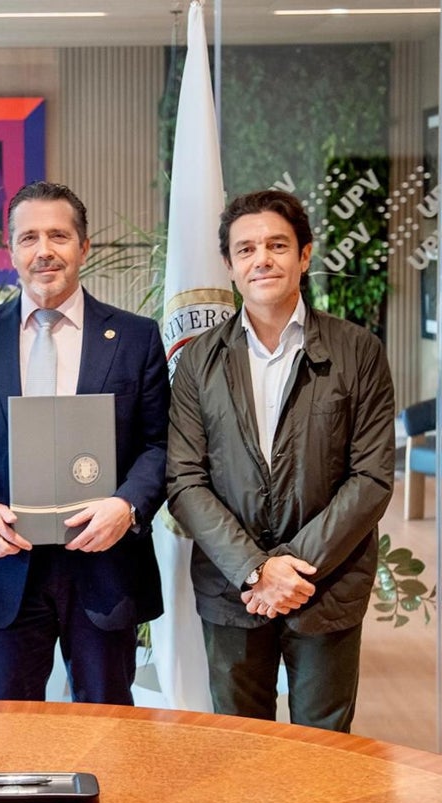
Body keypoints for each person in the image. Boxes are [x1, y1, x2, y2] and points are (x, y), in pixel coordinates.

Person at [166, 189, 395, 732]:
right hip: (231, 588)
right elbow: (185, 479)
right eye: (245, 249)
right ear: (229, 264)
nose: (261, 259)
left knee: (324, 749)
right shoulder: (199, 360)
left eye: (276, 245)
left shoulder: (357, 351)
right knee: (240, 750)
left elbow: (371, 476)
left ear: (305, 255)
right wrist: (255, 569)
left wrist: (291, 568)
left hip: (326, 584)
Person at [0, 181, 168, 705]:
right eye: (29, 237)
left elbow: (159, 443)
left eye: (59, 236)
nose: (45, 251)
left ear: (83, 247)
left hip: (104, 565)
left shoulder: (134, 337)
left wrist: (127, 506)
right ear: (12, 250)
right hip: (7, 566)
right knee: (4, 735)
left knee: (107, 733)